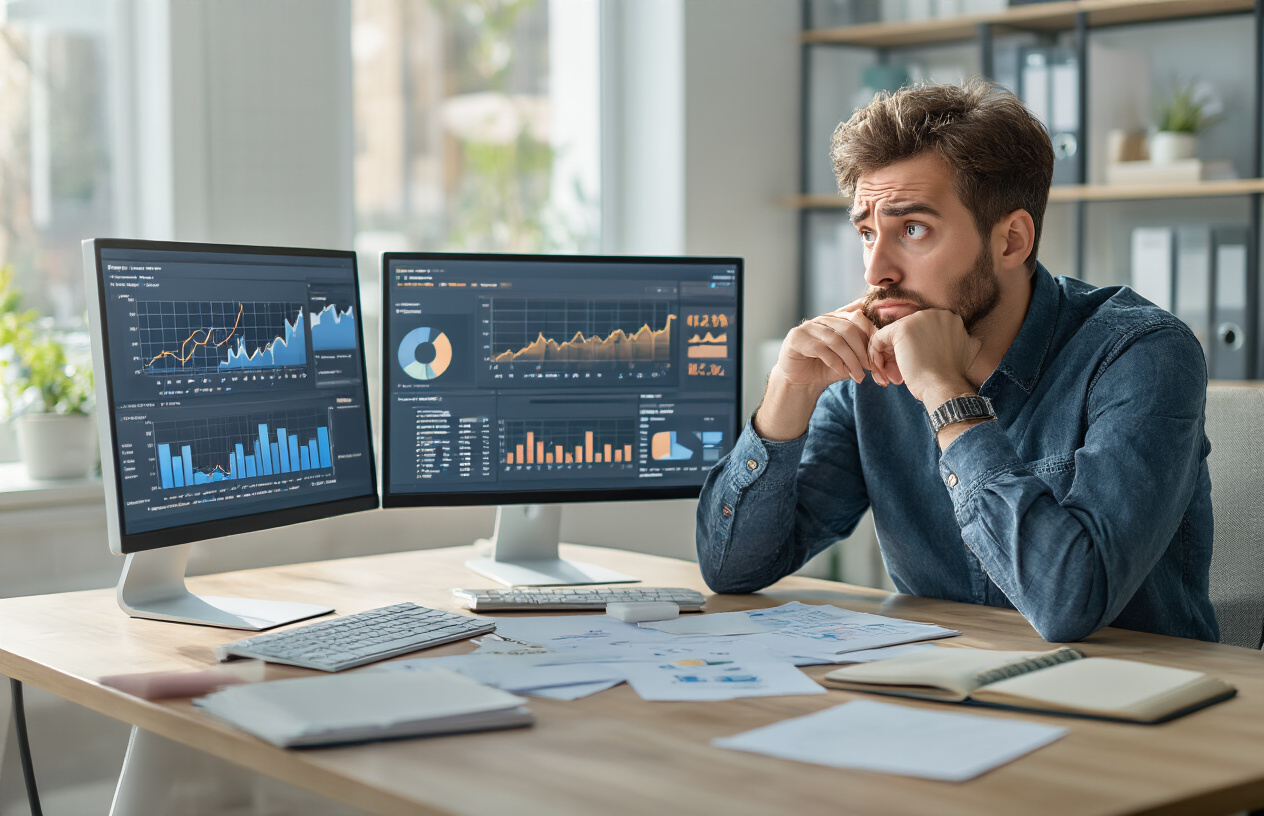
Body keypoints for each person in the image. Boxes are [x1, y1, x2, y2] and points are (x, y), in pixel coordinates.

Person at [696, 78, 1218, 643]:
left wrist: (946, 395)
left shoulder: (1141, 354)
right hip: (943, 692)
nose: (876, 272)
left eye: (913, 229)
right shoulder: (873, 367)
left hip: (1139, 702)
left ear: (1012, 241)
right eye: (868, 232)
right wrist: (786, 396)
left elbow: (1071, 601)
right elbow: (732, 571)